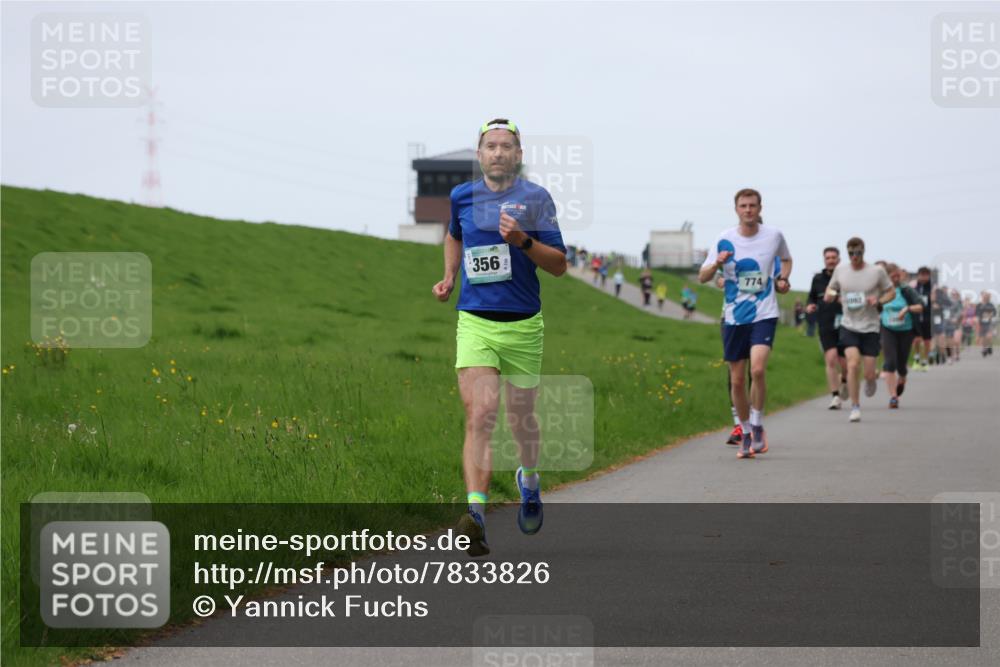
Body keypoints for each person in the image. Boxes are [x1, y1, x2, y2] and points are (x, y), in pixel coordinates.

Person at [432, 118, 567, 557]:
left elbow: (559, 265)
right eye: (490, 146)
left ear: (519, 155)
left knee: (522, 420)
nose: (498, 152)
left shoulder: (536, 199)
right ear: (479, 154)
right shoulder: (462, 197)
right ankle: (475, 516)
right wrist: (449, 275)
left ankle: (529, 479)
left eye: (506, 146)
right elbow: (453, 235)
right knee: (482, 415)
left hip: (524, 324)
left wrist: (523, 241)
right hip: (475, 321)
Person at [699, 187, 792, 459]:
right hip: (733, 316)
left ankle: (759, 423)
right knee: (737, 381)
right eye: (743, 206)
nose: (748, 210)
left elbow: (786, 259)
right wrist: (716, 263)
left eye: (752, 205)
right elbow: (702, 277)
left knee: (759, 370)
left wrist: (783, 278)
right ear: (736, 209)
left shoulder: (773, 235)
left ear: (760, 208)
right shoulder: (724, 239)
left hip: (764, 313)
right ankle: (745, 430)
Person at [824, 237, 895, 422]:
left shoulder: (876, 271)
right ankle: (855, 407)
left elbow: (891, 292)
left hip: (870, 327)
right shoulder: (841, 270)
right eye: (851, 254)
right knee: (853, 364)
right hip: (849, 325)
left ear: (863, 252)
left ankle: (871, 380)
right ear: (847, 253)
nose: (854, 257)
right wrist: (831, 296)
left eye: (858, 253)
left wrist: (879, 301)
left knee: (869, 373)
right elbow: (831, 289)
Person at [807, 246, 848, 409]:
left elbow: (855, 296)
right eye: (828, 258)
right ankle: (835, 396)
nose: (830, 260)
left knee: (845, 363)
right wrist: (810, 305)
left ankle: (844, 380)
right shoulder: (818, 278)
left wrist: (841, 299)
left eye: (833, 257)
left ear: (839, 260)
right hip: (825, 323)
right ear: (824, 260)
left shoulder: (846, 276)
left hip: (845, 323)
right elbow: (811, 297)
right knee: (830, 359)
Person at [879, 263, 923, 408]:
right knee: (890, 362)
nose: (897, 278)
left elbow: (921, 306)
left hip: (906, 330)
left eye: (898, 275)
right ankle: (893, 397)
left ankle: (902, 377)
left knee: (901, 365)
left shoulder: (906, 290)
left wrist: (908, 308)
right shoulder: (881, 290)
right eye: (893, 276)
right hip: (888, 329)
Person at [910, 267, 933, 371]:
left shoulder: (932, 288)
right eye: (922, 275)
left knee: (927, 340)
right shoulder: (913, 286)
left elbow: (935, 301)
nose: (924, 277)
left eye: (926, 275)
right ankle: (917, 357)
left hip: (928, 317)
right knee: (916, 339)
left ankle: (925, 360)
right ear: (918, 275)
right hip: (916, 316)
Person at [977, 291, 996, 356]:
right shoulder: (979, 305)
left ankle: (989, 346)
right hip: (981, 323)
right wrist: (979, 318)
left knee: (988, 336)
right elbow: (977, 313)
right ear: (982, 297)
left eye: (987, 297)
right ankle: (984, 349)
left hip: (989, 323)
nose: (985, 298)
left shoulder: (991, 305)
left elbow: (994, 313)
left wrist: (990, 315)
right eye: (984, 297)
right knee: (983, 337)